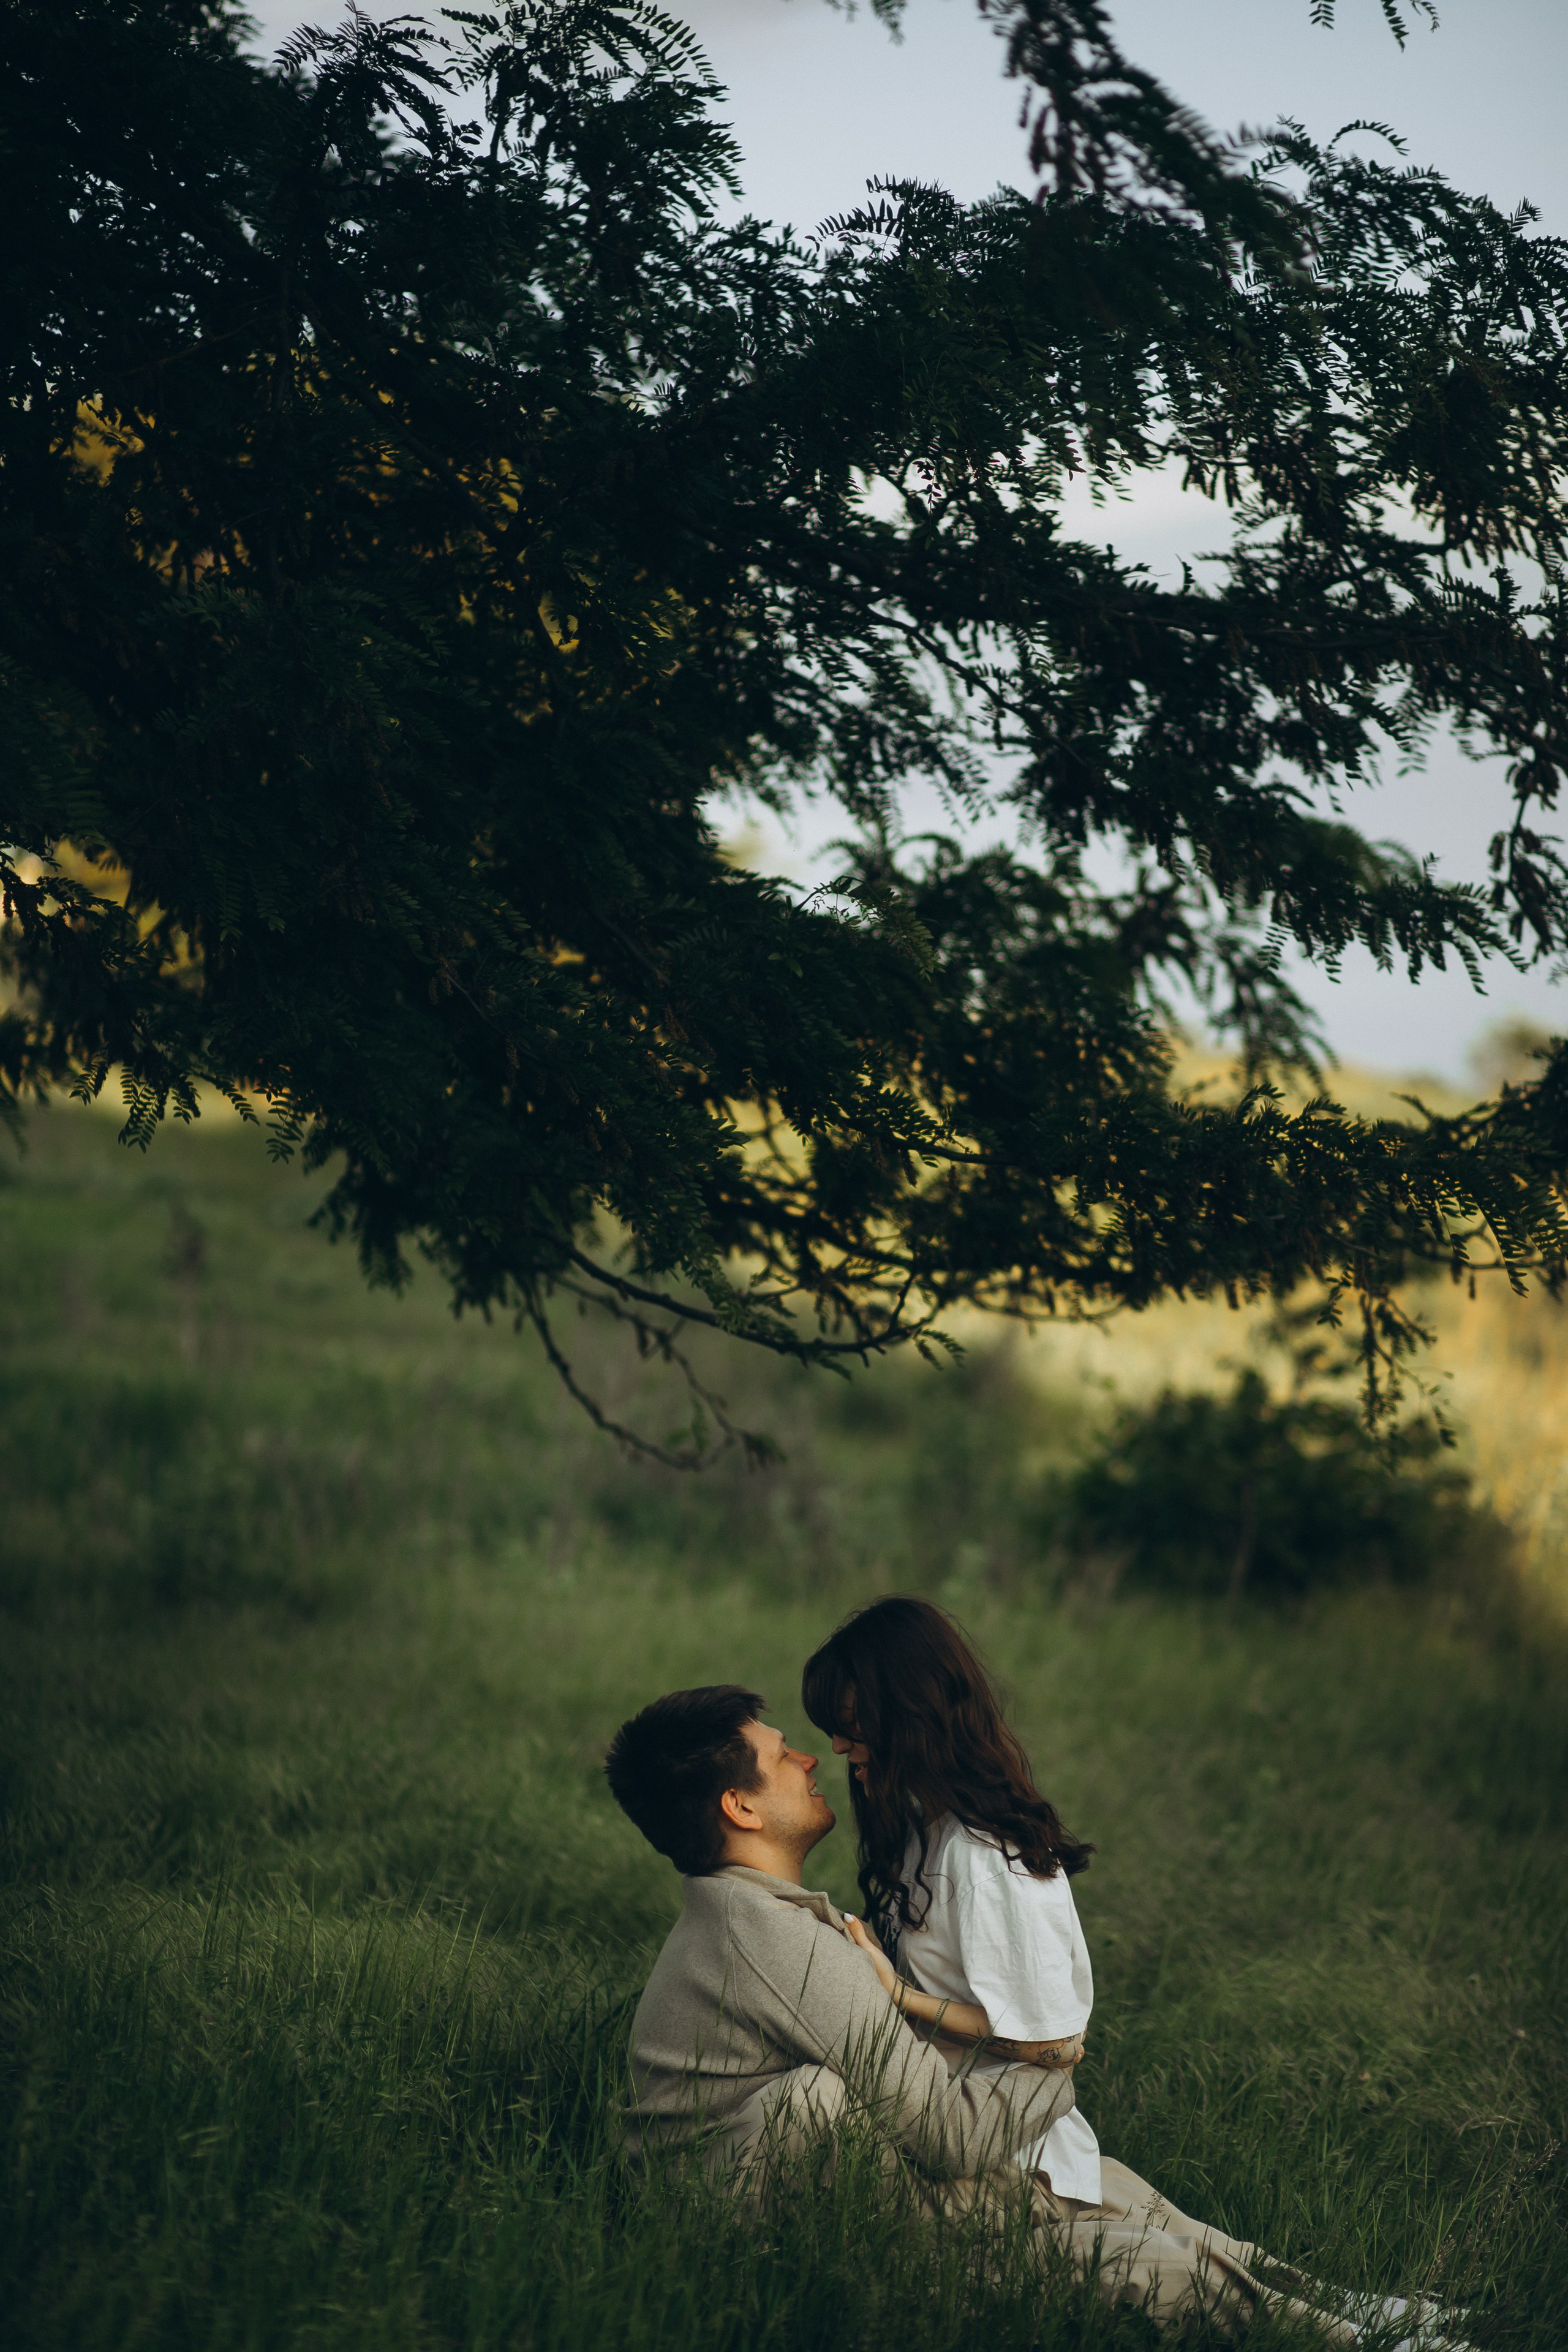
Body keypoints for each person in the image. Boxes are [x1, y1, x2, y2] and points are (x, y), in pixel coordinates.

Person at [801, 1595, 1465, 2349]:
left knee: (1192, 2267)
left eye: (852, 1727)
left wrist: (896, 1995)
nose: (839, 1746)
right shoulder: (921, 1837)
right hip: (990, 2130)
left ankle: (1391, 2338)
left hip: (1008, 2148)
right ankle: (1380, 2318)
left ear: (910, 1715)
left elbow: (1054, 2042)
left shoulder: (981, 1860)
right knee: (1206, 2244)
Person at [603, 1683, 1078, 2195]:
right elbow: (950, 2137)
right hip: (716, 2228)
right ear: (740, 1808)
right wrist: (1053, 2052)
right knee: (820, 2101)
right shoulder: (778, 1942)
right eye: (784, 1755)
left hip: (716, 2191)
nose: (811, 1760)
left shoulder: (732, 1915)